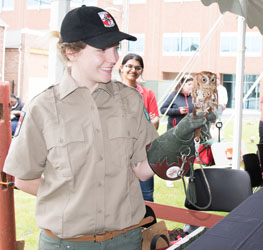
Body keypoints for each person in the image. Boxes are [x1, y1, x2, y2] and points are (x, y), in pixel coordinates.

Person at [3, 6, 159, 249]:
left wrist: (174, 154)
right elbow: (23, 178)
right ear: (71, 52)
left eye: (116, 48)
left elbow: (141, 169)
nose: (114, 58)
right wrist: (73, 201)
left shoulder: (130, 101)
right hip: (66, 244)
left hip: (126, 240)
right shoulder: (43, 108)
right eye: (102, 50)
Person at [120, 53, 159, 202]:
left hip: (143, 151)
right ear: (121, 68)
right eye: (129, 66)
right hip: (118, 152)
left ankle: (147, 225)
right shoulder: (111, 92)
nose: (133, 70)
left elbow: (155, 121)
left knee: (146, 195)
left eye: (138, 67)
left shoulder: (147, 94)